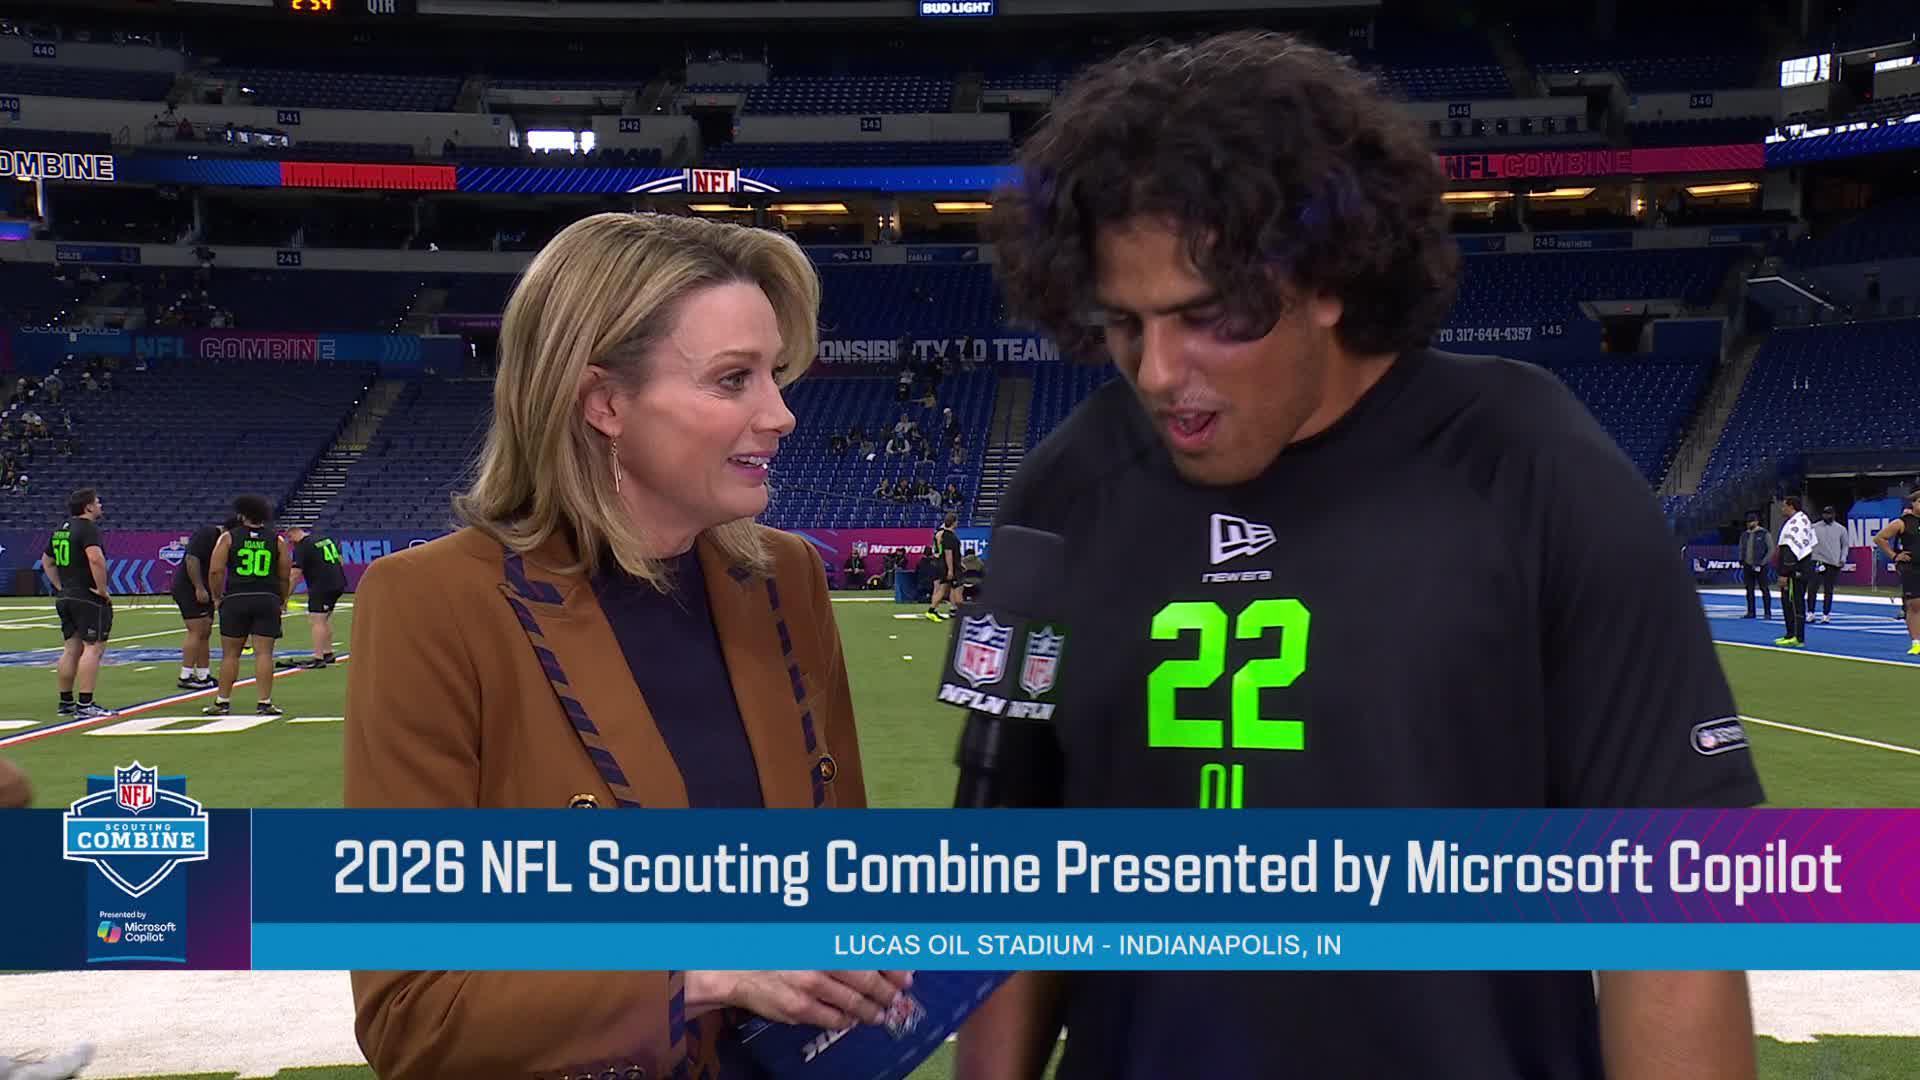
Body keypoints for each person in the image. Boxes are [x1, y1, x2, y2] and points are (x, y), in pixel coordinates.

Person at [960, 31, 1762, 1080]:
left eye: (1208, 318)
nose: (1157, 372)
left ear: (1329, 278)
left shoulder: (1533, 469)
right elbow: (1010, 874)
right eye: (1125, 324)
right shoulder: (1062, 492)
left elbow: (1673, 908)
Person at [343, 212, 904, 1080]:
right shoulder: (433, 605)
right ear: (603, 403)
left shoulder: (785, 579)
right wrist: (698, 975)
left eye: (775, 375)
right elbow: (412, 1015)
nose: (782, 414)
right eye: (734, 379)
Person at [203, 495, 292, 717]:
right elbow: (284, 575)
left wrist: (217, 597)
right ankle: (264, 702)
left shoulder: (228, 537)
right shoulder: (277, 540)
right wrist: (282, 599)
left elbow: (215, 571)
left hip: (237, 598)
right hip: (267, 598)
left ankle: (222, 702)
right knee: (264, 653)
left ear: (241, 514)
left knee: (230, 654)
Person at [42, 488, 113, 719]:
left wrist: (60, 586)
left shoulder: (61, 530)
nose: (100, 505)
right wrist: (102, 589)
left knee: (71, 649)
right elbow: (95, 558)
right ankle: (85, 703)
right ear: (88, 507)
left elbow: (47, 561)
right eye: (97, 502)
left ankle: (66, 702)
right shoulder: (88, 528)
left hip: (66, 596)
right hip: (86, 596)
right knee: (93, 648)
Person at [168, 516, 233, 690]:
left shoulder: (220, 540)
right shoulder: (208, 533)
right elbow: (191, 559)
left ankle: (203, 675)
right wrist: (199, 587)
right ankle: (186, 675)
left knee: (205, 631)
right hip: (189, 587)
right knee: (196, 630)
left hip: (205, 586)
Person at [285, 525, 347, 668]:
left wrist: (286, 596)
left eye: (290, 540)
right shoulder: (323, 538)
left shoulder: (303, 546)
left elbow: (295, 575)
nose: (291, 543)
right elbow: (341, 560)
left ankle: (318, 658)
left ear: (291, 534)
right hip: (338, 582)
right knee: (324, 619)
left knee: (317, 620)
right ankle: (327, 653)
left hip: (322, 585)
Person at [1871, 491, 1920, 655]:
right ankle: (1916, 642)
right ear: (1913, 503)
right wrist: (1894, 556)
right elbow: (1879, 538)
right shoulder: (1902, 522)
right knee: (1914, 605)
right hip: (1912, 568)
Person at [1775, 496, 1815, 648]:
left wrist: (1784, 573)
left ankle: (1797, 637)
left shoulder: (1796, 524)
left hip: (1795, 571)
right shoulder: (1803, 520)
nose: (1782, 509)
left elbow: (1791, 550)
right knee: (1791, 603)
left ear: (1791, 506)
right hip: (1798, 569)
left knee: (1794, 603)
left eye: (1784, 506)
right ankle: (1790, 633)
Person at [1809, 506, 1848, 624]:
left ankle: (1826, 614)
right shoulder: (1814, 527)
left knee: (1828, 589)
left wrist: (1843, 558)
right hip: (1817, 560)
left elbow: (1845, 545)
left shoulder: (1841, 529)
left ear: (1834, 515)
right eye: (1825, 514)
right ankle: (1810, 613)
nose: (1827, 516)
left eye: (1829, 514)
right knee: (1812, 588)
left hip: (1833, 562)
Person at [926, 511, 962, 620]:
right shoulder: (948, 536)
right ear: (953, 522)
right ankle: (961, 612)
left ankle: (932, 610)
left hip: (949, 566)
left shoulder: (946, 535)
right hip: (950, 567)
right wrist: (950, 570)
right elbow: (948, 553)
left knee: (943, 590)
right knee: (957, 589)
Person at [1740, 512, 1773, 620]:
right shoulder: (1744, 535)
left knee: (1764, 589)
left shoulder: (1764, 533)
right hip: (1748, 565)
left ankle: (1767, 612)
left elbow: (1771, 549)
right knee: (1749, 590)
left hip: (1761, 566)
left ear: (1757, 522)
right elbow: (1741, 548)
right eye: (1748, 522)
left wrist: (1763, 562)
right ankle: (1751, 612)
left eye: (1751, 521)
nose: (1749, 524)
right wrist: (1742, 560)